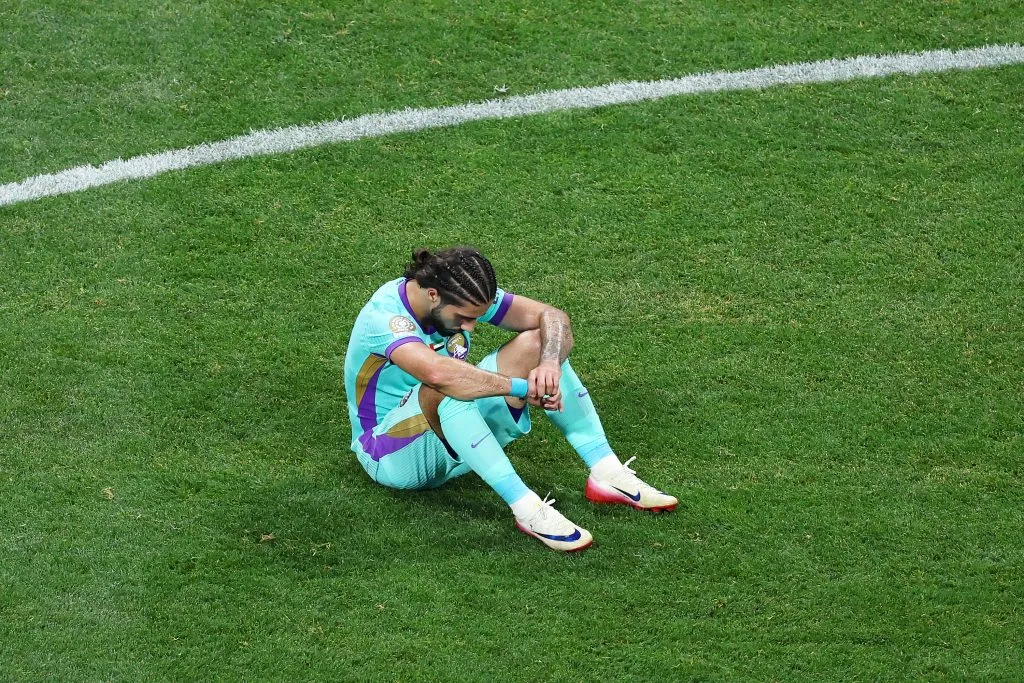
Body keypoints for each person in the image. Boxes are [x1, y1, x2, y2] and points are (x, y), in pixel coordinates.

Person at [343, 246, 677, 552]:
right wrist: (521, 388)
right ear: (432, 294)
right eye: (464, 318)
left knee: (537, 343)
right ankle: (527, 509)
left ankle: (606, 471)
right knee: (446, 383)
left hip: (456, 430)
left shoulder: (460, 294)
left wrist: (548, 365)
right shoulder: (385, 318)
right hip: (389, 454)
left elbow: (552, 317)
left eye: (476, 317)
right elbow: (439, 376)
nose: (471, 327)